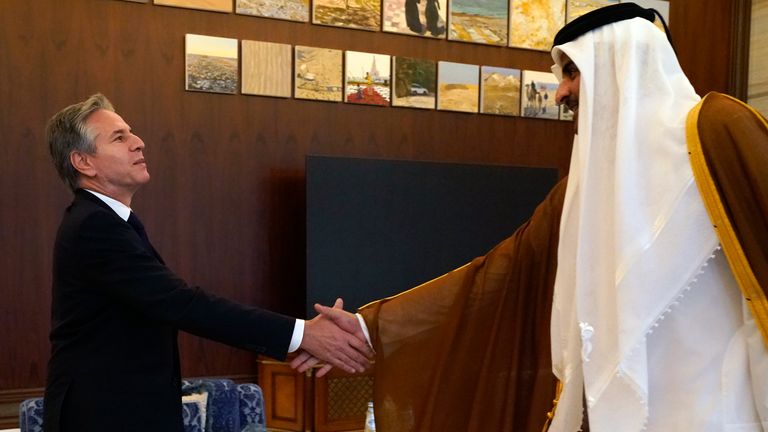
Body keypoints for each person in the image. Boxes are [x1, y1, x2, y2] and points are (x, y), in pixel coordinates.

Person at [295, 3, 768, 431]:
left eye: (572, 71)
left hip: (721, 410)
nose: (561, 92)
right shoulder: (588, 185)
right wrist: (369, 326)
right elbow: (499, 275)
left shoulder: (717, 129)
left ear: (621, 62)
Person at [43, 93, 373, 432]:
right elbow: (182, 303)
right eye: (119, 137)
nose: (139, 143)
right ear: (84, 162)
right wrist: (303, 334)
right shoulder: (93, 226)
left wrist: (304, 337)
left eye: (131, 132)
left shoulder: (107, 222)